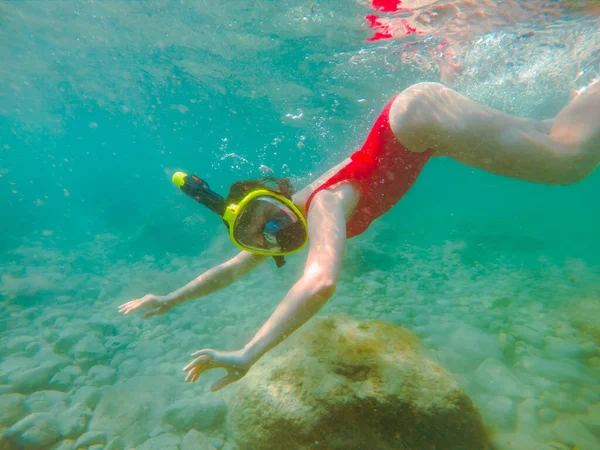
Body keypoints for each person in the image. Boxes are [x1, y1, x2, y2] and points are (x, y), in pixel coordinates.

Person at [119, 81, 600, 391]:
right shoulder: (296, 216)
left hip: (419, 121)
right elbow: (228, 270)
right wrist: (169, 299)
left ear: (282, 200)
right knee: (550, 136)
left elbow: (320, 283)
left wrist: (249, 352)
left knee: (566, 164)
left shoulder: (324, 204)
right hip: (419, 125)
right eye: (260, 236)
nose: (275, 232)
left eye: (270, 217)